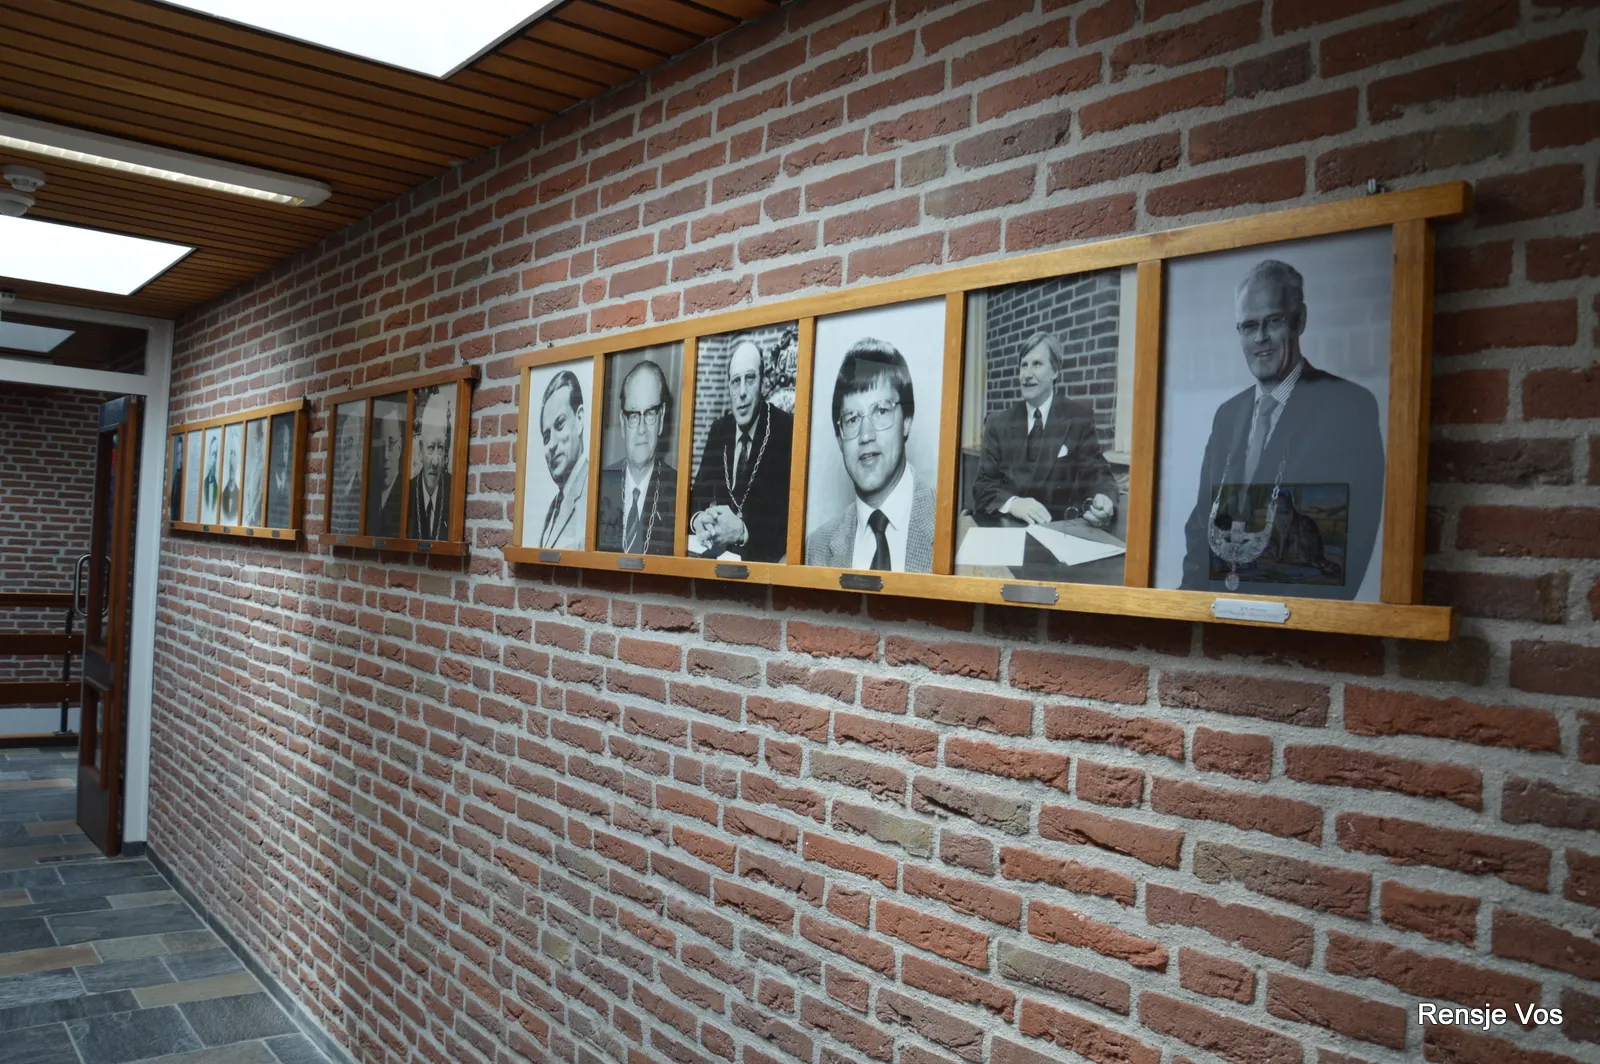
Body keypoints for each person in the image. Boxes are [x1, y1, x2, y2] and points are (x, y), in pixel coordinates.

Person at [1179, 259, 1384, 598]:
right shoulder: (1228, 415)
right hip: (1216, 613)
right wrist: (1188, 605)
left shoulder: (1347, 408)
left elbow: (1351, 545)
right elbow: (1202, 524)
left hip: (1294, 618)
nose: (1260, 338)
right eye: (1248, 326)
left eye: (1273, 321)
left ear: (1299, 320)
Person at [805, 339, 934, 572]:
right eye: (852, 419)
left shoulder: (952, 527)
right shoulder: (817, 548)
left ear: (906, 421)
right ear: (840, 439)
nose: (866, 435)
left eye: (881, 411)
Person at [971, 332, 1118, 528]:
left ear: (1055, 371)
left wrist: (1105, 499)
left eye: (1037, 364)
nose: (1027, 374)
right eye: (1024, 365)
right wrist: (1014, 504)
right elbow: (983, 486)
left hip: (1060, 530)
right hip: (1010, 530)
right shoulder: (998, 423)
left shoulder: (1077, 418)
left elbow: (1098, 473)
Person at [688, 337, 793, 562]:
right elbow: (698, 495)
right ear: (729, 387)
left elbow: (788, 518)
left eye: (750, 378)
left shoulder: (786, 430)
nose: (742, 392)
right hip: (720, 559)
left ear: (763, 383)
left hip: (763, 561)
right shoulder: (719, 430)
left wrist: (742, 531)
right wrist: (698, 520)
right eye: (736, 381)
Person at [597, 359, 677, 555]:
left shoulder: (678, 490)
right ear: (623, 422)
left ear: (661, 418)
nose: (641, 429)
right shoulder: (599, 486)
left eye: (649, 414)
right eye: (633, 415)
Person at [536, 369, 588, 551]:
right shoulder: (554, 506)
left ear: (580, 419)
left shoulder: (594, 493)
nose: (551, 444)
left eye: (560, 425)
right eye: (546, 436)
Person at [407, 390, 452, 541]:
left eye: (440, 448)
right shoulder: (408, 491)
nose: (435, 462)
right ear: (420, 449)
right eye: (431, 447)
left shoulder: (453, 490)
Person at [366, 403, 404, 537]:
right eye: (382, 445)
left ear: (400, 447)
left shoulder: (406, 495)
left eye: (391, 444)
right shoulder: (369, 494)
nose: (386, 455)